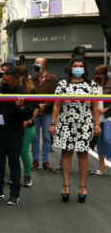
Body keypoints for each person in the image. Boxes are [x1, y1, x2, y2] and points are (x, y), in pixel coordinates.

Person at [49, 57, 101, 203]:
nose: (78, 68)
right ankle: (65, 185)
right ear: (70, 68)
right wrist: (53, 123)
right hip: (66, 123)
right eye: (75, 66)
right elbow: (56, 105)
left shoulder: (91, 85)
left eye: (80, 66)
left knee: (83, 154)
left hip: (84, 123)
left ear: (84, 68)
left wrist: (97, 125)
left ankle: (82, 186)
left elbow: (95, 107)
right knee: (66, 154)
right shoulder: (62, 84)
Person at [0, 67, 33, 206]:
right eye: (4, 79)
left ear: (16, 81)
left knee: (14, 165)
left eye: (7, 80)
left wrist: (21, 107)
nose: (4, 82)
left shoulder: (22, 93)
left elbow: (29, 115)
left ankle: (14, 194)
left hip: (14, 134)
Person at [30, 58, 58, 171]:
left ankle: (45, 161)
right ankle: (35, 160)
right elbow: (30, 94)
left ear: (44, 65)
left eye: (38, 63)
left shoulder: (53, 79)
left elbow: (54, 95)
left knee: (47, 137)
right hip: (35, 112)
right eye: (35, 63)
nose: (35, 65)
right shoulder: (32, 79)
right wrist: (37, 105)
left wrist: (44, 105)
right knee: (35, 137)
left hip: (47, 112)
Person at [16, 66, 39, 187]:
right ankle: (15, 176)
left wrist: (28, 120)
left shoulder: (31, 90)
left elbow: (36, 109)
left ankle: (27, 175)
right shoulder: (11, 89)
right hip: (13, 124)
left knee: (24, 151)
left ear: (22, 76)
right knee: (13, 151)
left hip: (27, 126)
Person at [94, 65, 111, 175]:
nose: (98, 76)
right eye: (96, 74)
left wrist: (104, 109)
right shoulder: (94, 86)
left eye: (100, 74)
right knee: (99, 141)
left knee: (107, 139)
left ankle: (109, 159)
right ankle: (101, 164)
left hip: (108, 115)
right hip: (97, 117)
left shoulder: (109, 86)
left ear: (104, 75)